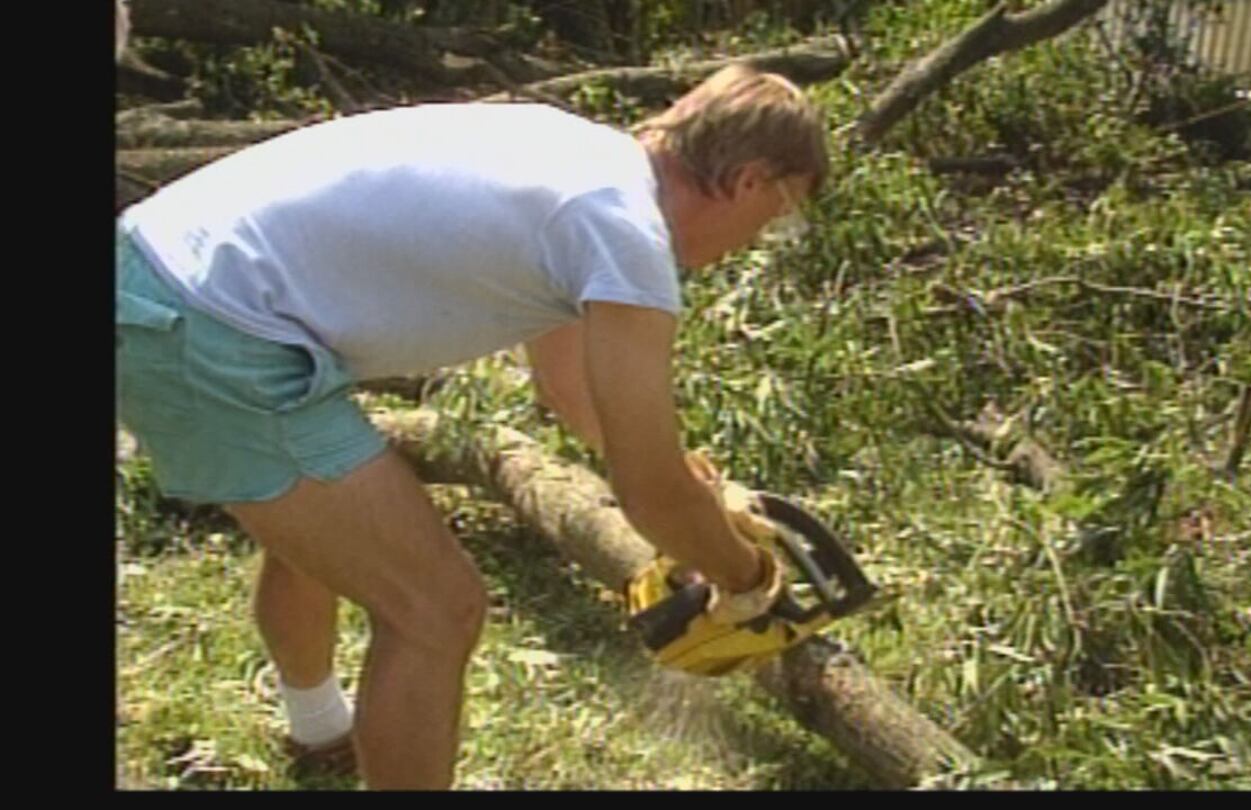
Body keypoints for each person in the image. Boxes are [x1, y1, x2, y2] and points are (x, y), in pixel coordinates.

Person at [115, 64, 827, 789]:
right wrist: (749, 581)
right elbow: (647, 489)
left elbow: (566, 383)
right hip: (210, 328)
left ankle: (319, 728)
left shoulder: (579, 159)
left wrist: (685, 491)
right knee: (437, 608)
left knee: (328, 527)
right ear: (748, 181)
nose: (765, 235)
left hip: (160, 273)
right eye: (782, 214)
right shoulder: (623, 229)